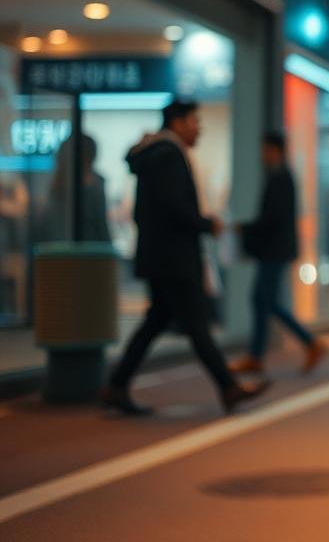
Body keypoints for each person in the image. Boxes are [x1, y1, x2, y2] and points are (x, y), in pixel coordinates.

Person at [101, 100, 269, 416]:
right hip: (173, 257)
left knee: (158, 320)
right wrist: (207, 224)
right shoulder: (168, 154)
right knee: (196, 323)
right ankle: (228, 387)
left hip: (161, 254)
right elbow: (174, 207)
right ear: (177, 123)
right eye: (194, 122)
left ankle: (117, 385)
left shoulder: (157, 153)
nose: (199, 129)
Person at [229, 131, 327, 376]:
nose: (262, 154)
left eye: (265, 149)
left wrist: (246, 228)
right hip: (275, 250)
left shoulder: (280, 177)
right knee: (265, 300)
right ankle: (265, 353)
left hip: (274, 251)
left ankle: (304, 345)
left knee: (263, 299)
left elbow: (272, 218)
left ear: (275, 150)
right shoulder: (281, 175)